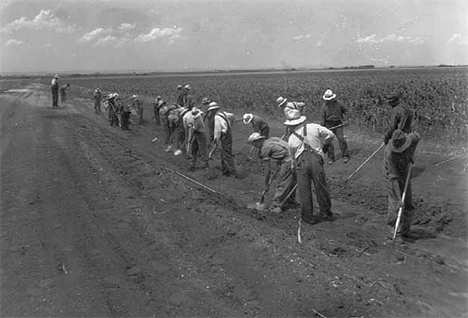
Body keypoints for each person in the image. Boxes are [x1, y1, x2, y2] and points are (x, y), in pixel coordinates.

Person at [285, 109, 335, 225]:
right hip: (316, 161)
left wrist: (294, 168)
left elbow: (292, 159)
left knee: (304, 190)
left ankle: (308, 217)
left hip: (301, 163)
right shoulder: (314, 127)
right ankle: (326, 213)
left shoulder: (291, 138)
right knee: (321, 187)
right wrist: (325, 145)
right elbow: (330, 135)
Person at [247, 133, 297, 213]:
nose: (254, 146)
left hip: (288, 161)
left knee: (282, 183)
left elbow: (268, 169)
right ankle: (290, 202)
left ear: (258, 141)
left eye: (254, 143)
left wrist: (266, 184)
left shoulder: (265, 148)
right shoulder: (273, 139)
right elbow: (281, 150)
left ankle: (275, 206)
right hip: (295, 158)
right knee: (290, 182)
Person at [384, 129, 420, 239]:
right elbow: (393, 178)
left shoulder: (411, 138)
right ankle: (394, 231)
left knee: (408, 204)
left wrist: (411, 154)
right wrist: (399, 199)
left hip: (405, 172)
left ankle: (405, 230)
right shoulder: (390, 155)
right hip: (392, 176)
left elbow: (417, 136)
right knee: (396, 205)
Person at [205, 102, 236, 177]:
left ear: (213, 110)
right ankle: (225, 170)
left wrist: (216, 140)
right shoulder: (223, 113)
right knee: (223, 153)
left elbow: (217, 130)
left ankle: (232, 173)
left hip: (224, 136)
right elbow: (232, 116)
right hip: (228, 135)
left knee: (227, 154)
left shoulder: (216, 117)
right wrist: (230, 125)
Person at [321, 89, 350, 164]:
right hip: (328, 124)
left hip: (338, 123)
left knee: (341, 139)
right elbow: (323, 117)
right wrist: (322, 127)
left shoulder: (339, 104)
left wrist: (346, 120)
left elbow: (346, 112)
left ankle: (345, 155)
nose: (329, 101)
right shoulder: (324, 106)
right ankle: (331, 158)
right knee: (329, 141)